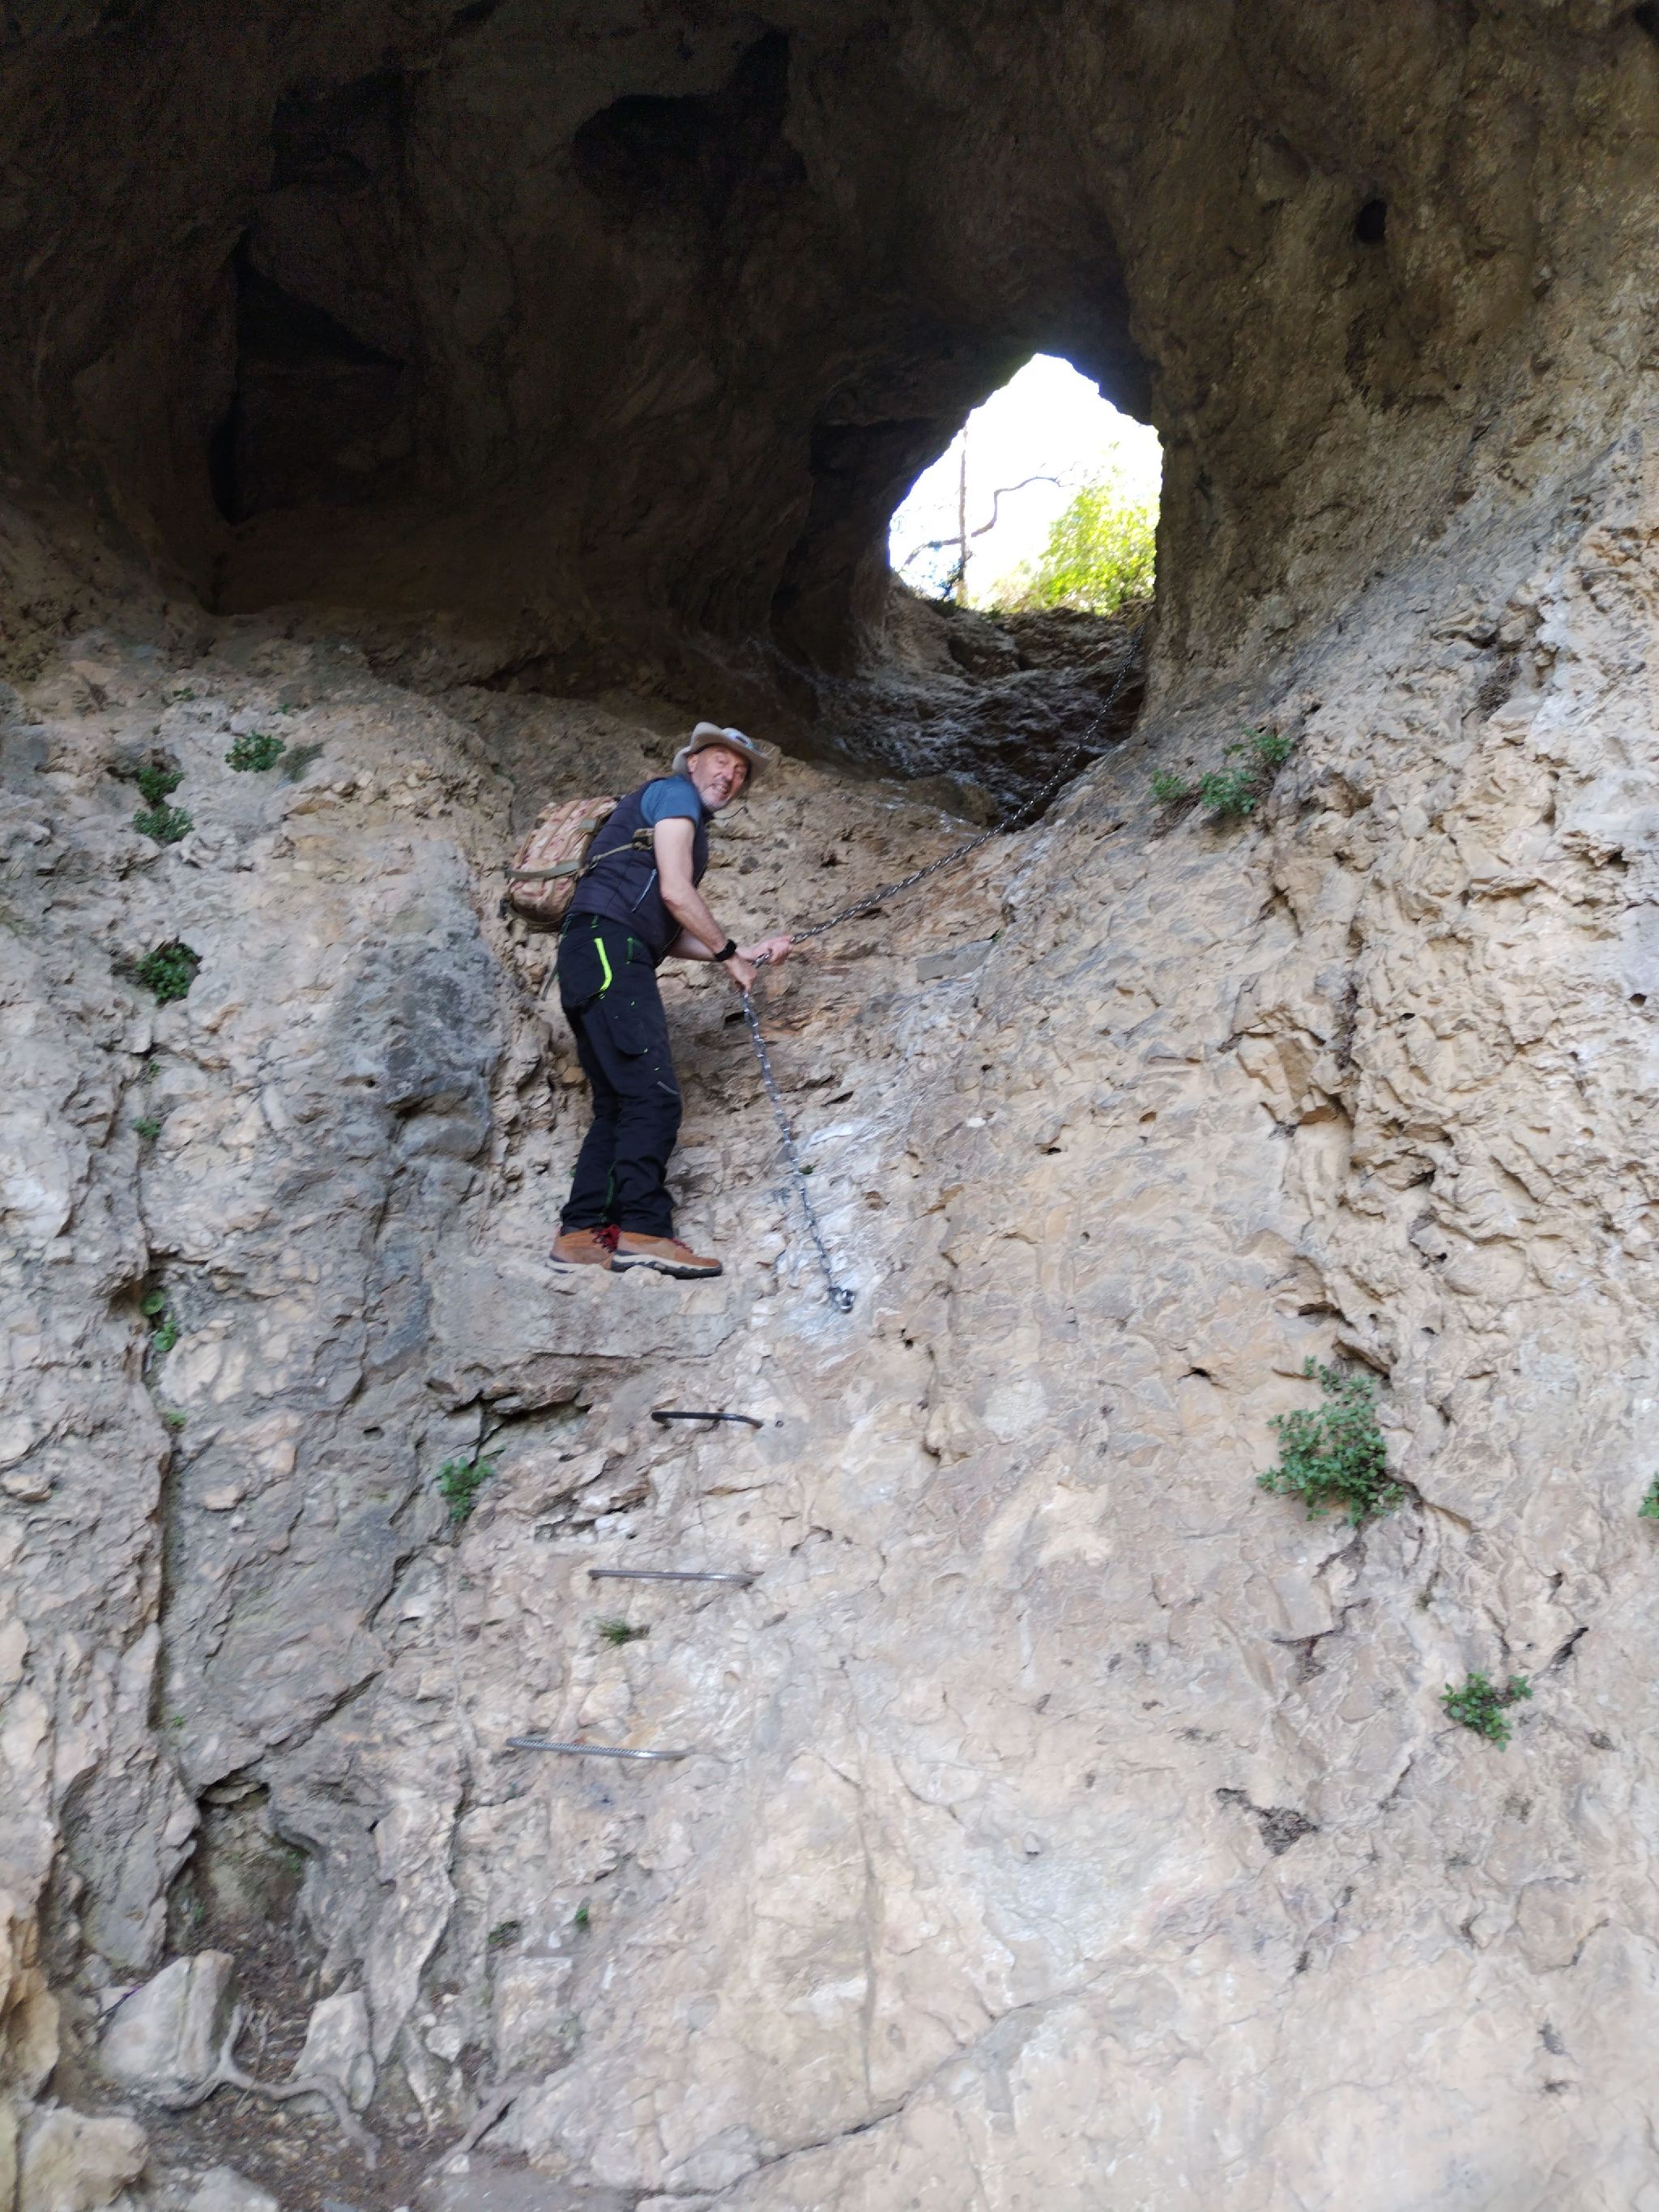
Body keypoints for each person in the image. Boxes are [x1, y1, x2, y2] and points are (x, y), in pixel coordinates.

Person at [551, 722, 793, 1279]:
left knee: (620, 1102)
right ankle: (645, 1231)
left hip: (593, 950)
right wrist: (729, 954)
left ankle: (581, 1233)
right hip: (610, 948)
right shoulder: (676, 795)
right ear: (693, 760)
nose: (730, 775)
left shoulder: (672, 816)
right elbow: (676, 893)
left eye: (741, 771)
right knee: (653, 1094)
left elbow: (663, 927)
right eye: (721, 761)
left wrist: (743, 952)